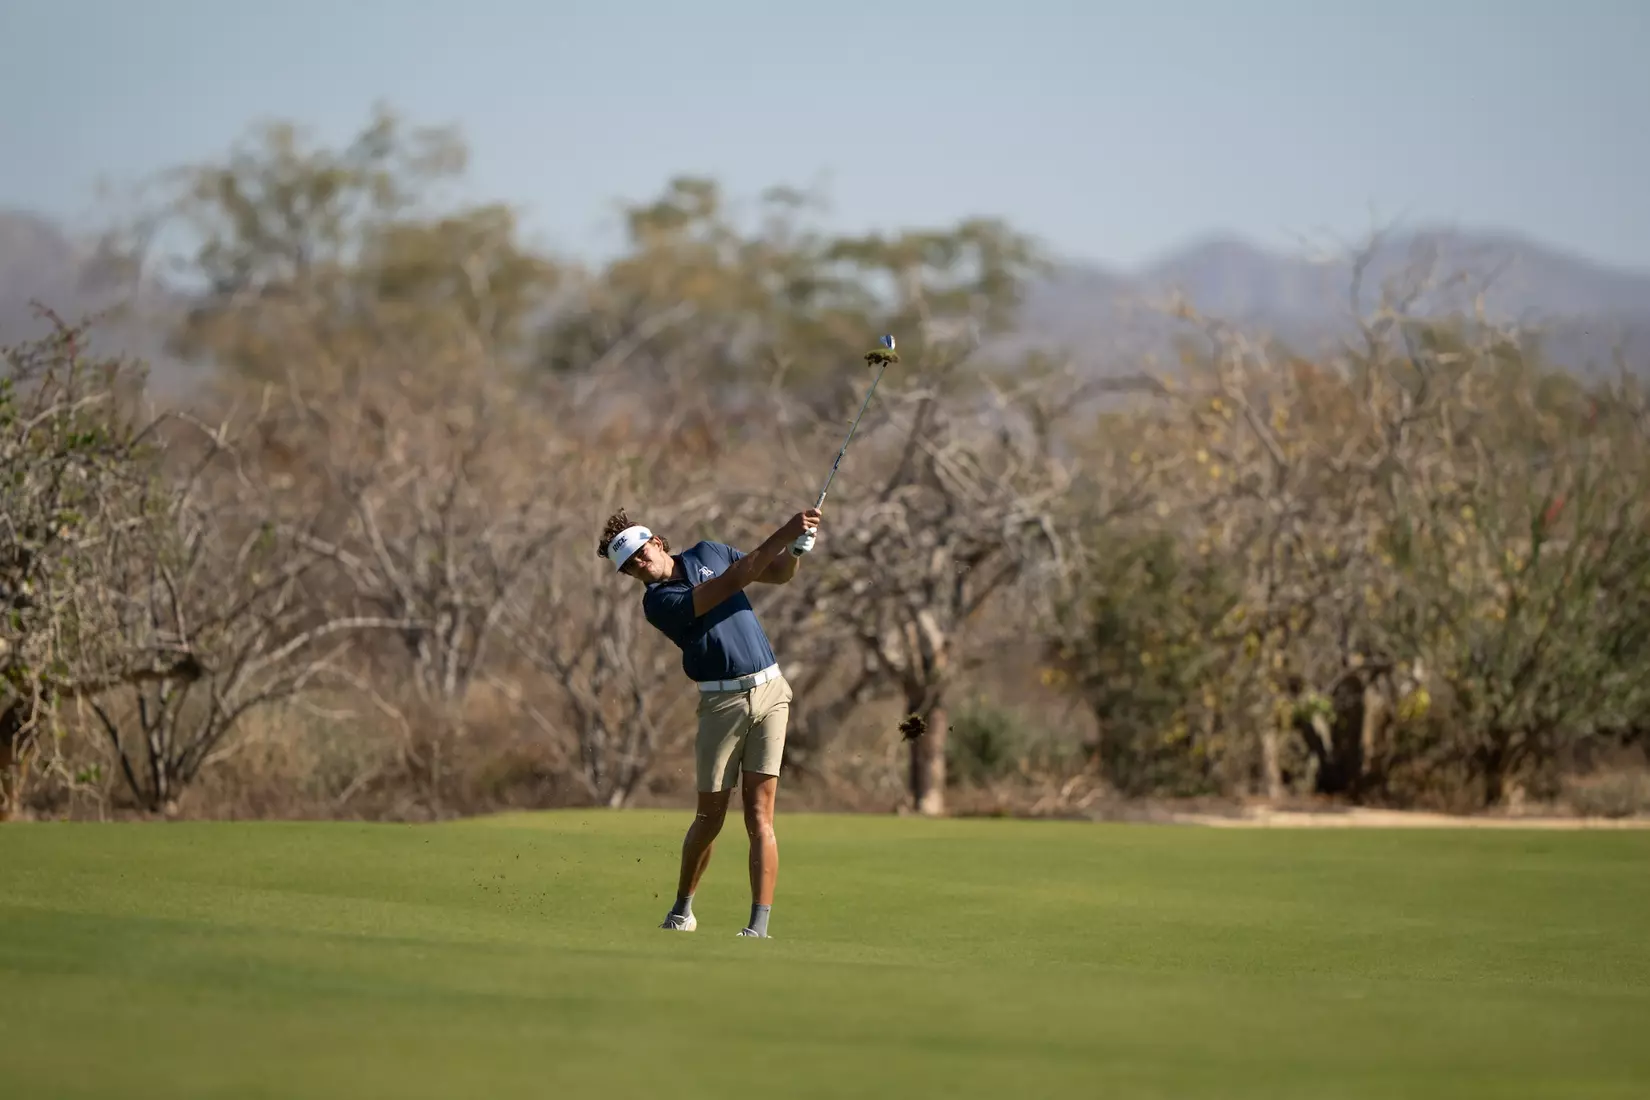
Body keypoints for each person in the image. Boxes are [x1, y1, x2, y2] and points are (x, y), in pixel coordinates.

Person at [597, 504, 822, 938]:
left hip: (772, 693)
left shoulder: (710, 551)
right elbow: (736, 581)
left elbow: (774, 573)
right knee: (710, 818)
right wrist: (784, 530)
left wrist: (794, 549)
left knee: (760, 817)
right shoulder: (659, 603)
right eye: (629, 568)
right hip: (722, 706)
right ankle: (682, 910)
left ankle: (758, 928)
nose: (639, 568)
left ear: (657, 542)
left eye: (641, 556)